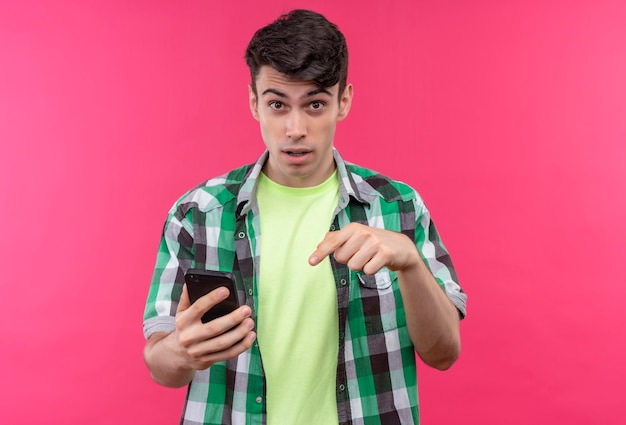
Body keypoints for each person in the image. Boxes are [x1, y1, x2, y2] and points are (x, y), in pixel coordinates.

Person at [143, 9, 467, 425]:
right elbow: (159, 365)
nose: (295, 128)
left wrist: (409, 261)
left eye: (315, 104)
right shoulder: (197, 213)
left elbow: (443, 354)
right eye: (278, 104)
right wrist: (181, 352)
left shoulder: (398, 206)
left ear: (343, 101)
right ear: (254, 102)